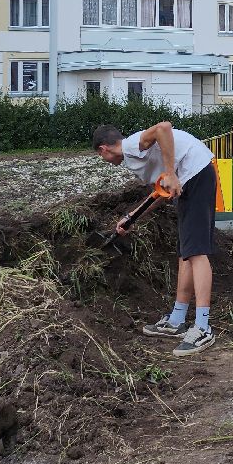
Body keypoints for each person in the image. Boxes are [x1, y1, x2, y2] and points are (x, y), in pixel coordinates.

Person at [93, 122, 218, 358]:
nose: (105, 161)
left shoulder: (131, 145)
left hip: (196, 174)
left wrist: (171, 173)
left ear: (103, 150)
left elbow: (164, 128)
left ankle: (203, 327)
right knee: (186, 253)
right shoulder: (135, 156)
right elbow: (161, 191)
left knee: (197, 252)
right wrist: (132, 217)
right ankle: (177, 319)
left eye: (101, 156)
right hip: (189, 178)